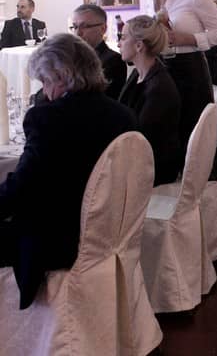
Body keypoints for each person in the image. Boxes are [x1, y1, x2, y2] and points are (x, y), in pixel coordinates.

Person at [0, 33, 136, 309]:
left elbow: (23, 187)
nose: (45, 91)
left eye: (45, 81)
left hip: (58, 239)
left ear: (62, 76)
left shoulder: (47, 118)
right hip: (108, 231)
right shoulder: (122, 115)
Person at [131, 0, 217, 148]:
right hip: (160, 69)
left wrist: (189, 38)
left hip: (190, 69)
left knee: (192, 132)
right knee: (165, 131)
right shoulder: (150, 0)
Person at [118, 15, 182, 186]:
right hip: (140, 155)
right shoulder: (138, 74)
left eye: (123, 38)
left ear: (139, 45)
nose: (119, 44)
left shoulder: (158, 88)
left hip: (154, 166)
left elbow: (142, 137)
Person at [70, 4, 126, 99]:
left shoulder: (114, 60)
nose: (78, 33)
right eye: (75, 27)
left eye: (85, 26)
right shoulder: (70, 57)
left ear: (103, 29)